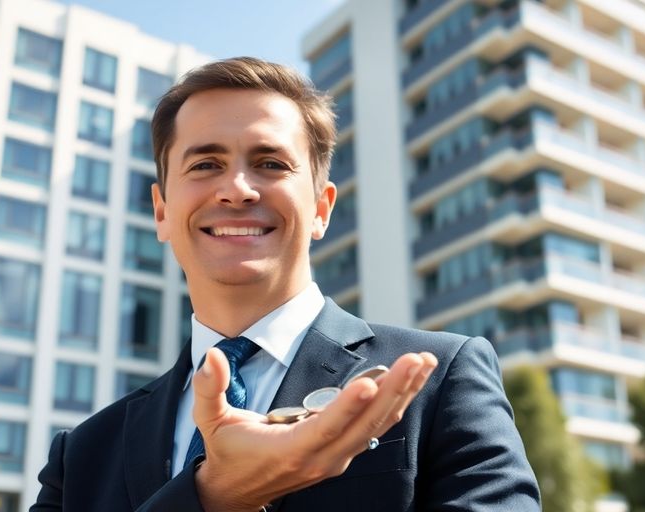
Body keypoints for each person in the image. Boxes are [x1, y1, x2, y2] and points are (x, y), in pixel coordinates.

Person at [31, 57, 540, 511]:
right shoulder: (81, 455)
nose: (237, 189)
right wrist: (213, 496)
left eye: (270, 164)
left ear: (321, 209)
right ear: (162, 211)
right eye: (206, 164)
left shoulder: (443, 379)